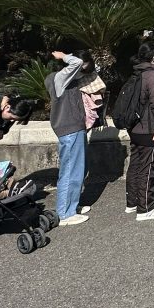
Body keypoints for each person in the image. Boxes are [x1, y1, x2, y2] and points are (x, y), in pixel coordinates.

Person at [123, 42, 154, 221]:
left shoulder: (136, 72)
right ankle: (146, 208)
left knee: (135, 164)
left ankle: (132, 202)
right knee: (148, 167)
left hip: (134, 127)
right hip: (149, 129)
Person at [45, 50, 93, 226]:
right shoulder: (58, 78)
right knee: (71, 170)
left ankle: (72, 205)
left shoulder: (65, 79)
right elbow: (77, 63)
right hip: (70, 130)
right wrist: (64, 56)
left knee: (77, 169)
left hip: (74, 128)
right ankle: (65, 213)